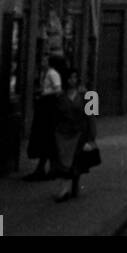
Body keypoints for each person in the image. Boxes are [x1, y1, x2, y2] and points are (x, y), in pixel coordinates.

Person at [52, 69, 97, 203]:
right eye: (70, 78)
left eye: (75, 77)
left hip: (79, 132)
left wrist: (92, 137)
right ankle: (65, 190)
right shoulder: (60, 96)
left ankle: (72, 186)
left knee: (76, 160)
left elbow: (91, 116)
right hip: (64, 133)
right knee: (64, 161)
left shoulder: (86, 94)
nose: (73, 80)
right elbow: (56, 115)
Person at [25, 55, 62, 180]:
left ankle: (48, 169)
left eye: (45, 60)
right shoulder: (45, 73)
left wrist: (43, 93)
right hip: (45, 108)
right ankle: (48, 169)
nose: (42, 61)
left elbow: (58, 90)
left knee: (47, 136)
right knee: (46, 138)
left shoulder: (52, 73)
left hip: (48, 108)